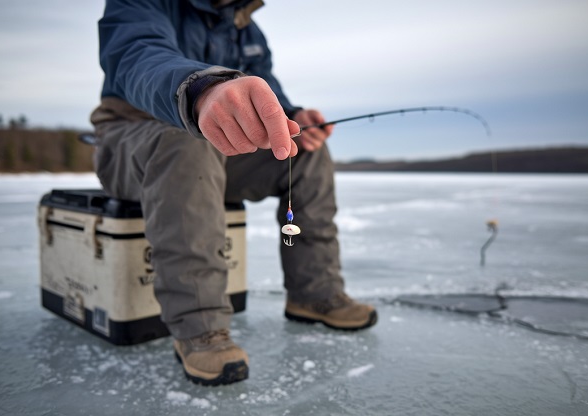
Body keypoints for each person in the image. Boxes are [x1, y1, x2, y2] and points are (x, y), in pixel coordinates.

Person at [90, 0, 378, 386]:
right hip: (130, 139)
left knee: (304, 152)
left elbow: (266, 97)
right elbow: (136, 55)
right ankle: (201, 328)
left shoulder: (247, 28)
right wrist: (202, 89)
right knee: (187, 142)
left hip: (213, 147)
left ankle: (315, 294)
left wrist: (292, 117)